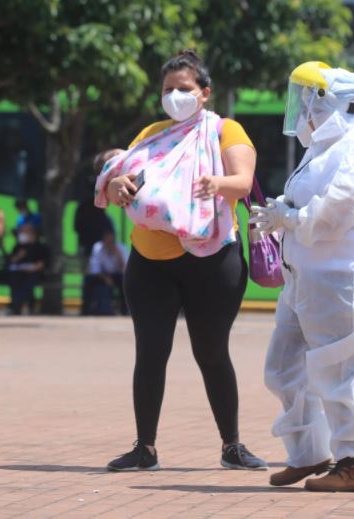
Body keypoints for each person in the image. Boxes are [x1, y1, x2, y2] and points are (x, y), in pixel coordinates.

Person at [94, 49, 267, 472]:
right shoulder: (152, 134)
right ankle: (144, 448)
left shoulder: (227, 130)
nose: (175, 96)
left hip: (212, 258)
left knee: (211, 352)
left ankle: (232, 445)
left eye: (184, 89)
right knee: (150, 352)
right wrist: (116, 185)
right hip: (150, 260)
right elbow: (124, 177)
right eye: (168, 90)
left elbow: (242, 182)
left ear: (204, 93)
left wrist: (218, 182)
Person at [249, 63, 354, 492]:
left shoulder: (353, 148)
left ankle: (353, 464)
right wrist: (283, 211)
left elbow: (334, 215)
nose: (300, 109)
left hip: (342, 280)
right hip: (307, 279)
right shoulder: (325, 147)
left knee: (339, 376)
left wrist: (287, 218)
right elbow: (308, 202)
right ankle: (308, 454)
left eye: (306, 97)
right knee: (283, 369)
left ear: (325, 100)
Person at [79, 150, 120, 315]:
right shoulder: (87, 208)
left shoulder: (100, 209)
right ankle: (87, 308)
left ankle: (91, 308)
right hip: (90, 246)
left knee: (92, 278)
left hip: (98, 245)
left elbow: (109, 230)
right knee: (90, 277)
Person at [7, 223, 49, 315]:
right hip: (19, 272)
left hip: (35, 272)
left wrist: (31, 268)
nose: (23, 234)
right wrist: (19, 256)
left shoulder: (40, 247)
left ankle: (15, 303)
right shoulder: (18, 246)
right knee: (15, 278)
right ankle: (17, 307)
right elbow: (11, 261)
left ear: (33, 233)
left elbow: (41, 264)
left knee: (29, 281)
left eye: (25, 232)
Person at [84, 229, 128, 315]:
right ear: (103, 240)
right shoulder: (97, 247)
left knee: (125, 282)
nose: (109, 242)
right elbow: (95, 269)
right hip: (102, 275)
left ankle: (124, 310)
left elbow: (125, 269)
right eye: (107, 239)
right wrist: (106, 278)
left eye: (111, 240)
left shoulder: (121, 248)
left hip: (118, 275)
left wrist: (118, 254)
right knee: (88, 280)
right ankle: (86, 310)